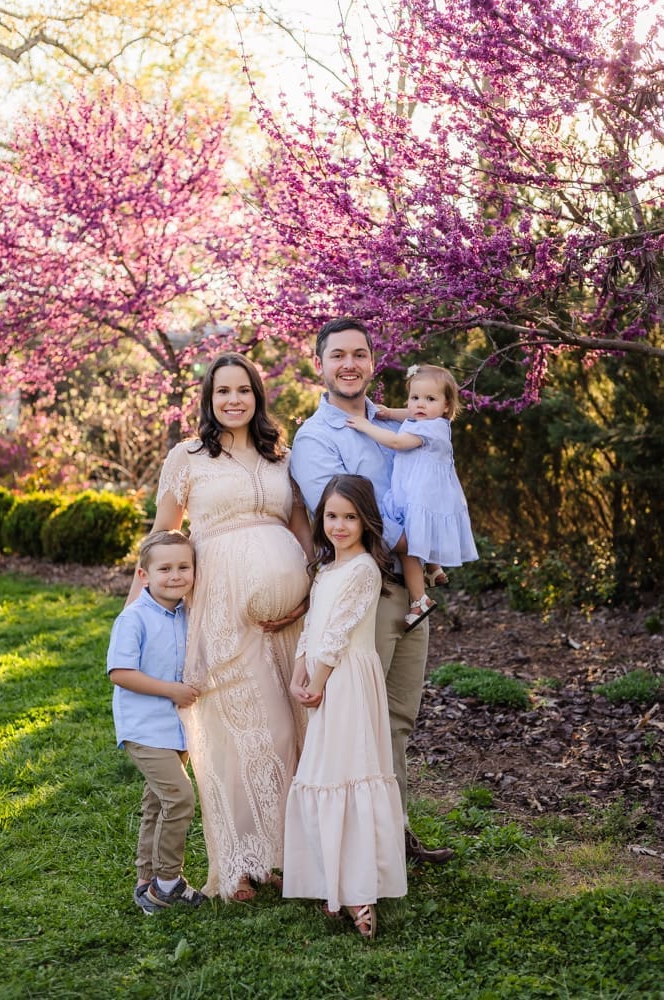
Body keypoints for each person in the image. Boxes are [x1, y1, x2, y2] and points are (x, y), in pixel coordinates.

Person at [126, 352, 314, 901]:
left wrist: (311, 590)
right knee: (240, 736)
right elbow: (163, 534)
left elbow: (300, 525)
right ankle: (236, 866)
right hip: (220, 610)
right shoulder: (186, 457)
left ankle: (280, 858)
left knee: (290, 735)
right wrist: (136, 612)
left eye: (244, 390)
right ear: (207, 400)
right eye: (222, 391)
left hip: (290, 619)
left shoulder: (281, 457)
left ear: (258, 396)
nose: (234, 400)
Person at [290, 317, 454, 866]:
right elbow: (341, 522)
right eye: (338, 355)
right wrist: (426, 540)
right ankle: (358, 848)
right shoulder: (316, 439)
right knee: (362, 719)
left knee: (399, 719)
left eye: (360, 354)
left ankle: (393, 833)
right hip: (365, 592)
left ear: (372, 361)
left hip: (408, 585)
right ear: (321, 364)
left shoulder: (404, 420)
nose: (350, 364)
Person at [283, 475, 407, 940]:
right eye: (332, 516)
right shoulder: (327, 569)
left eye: (350, 517)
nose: (339, 525)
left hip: (346, 679)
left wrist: (315, 683)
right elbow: (314, 624)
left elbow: (337, 637)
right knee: (322, 772)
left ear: (365, 521)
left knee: (348, 771)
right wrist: (299, 666)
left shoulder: (363, 570)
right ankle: (330, 880)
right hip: (322, 675)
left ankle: (360, 892)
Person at [107, 529, 205, 914]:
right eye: (165, 568)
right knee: (180, 798)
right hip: (145, 728)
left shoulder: (186, 613)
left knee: (157, 804)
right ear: (144, 575)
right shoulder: (134, 619)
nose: (176, 575)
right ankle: (168, 884)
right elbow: (120, 672)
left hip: (175, 728)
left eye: (184, 566)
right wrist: (171, 690)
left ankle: (145, 883)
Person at [345, 363, 479, 632]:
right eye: (415, 397)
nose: (419, 404)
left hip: (417, 495)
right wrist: (387, 412)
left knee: (408, 546)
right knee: (417, 535)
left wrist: (365, 426)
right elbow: (409, 413)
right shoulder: (432, 419)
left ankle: (420, 600)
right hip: (427, 494)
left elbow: (396, 443)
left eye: (430, 399)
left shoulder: (427, 429)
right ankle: (434, 568)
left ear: (446, 405)